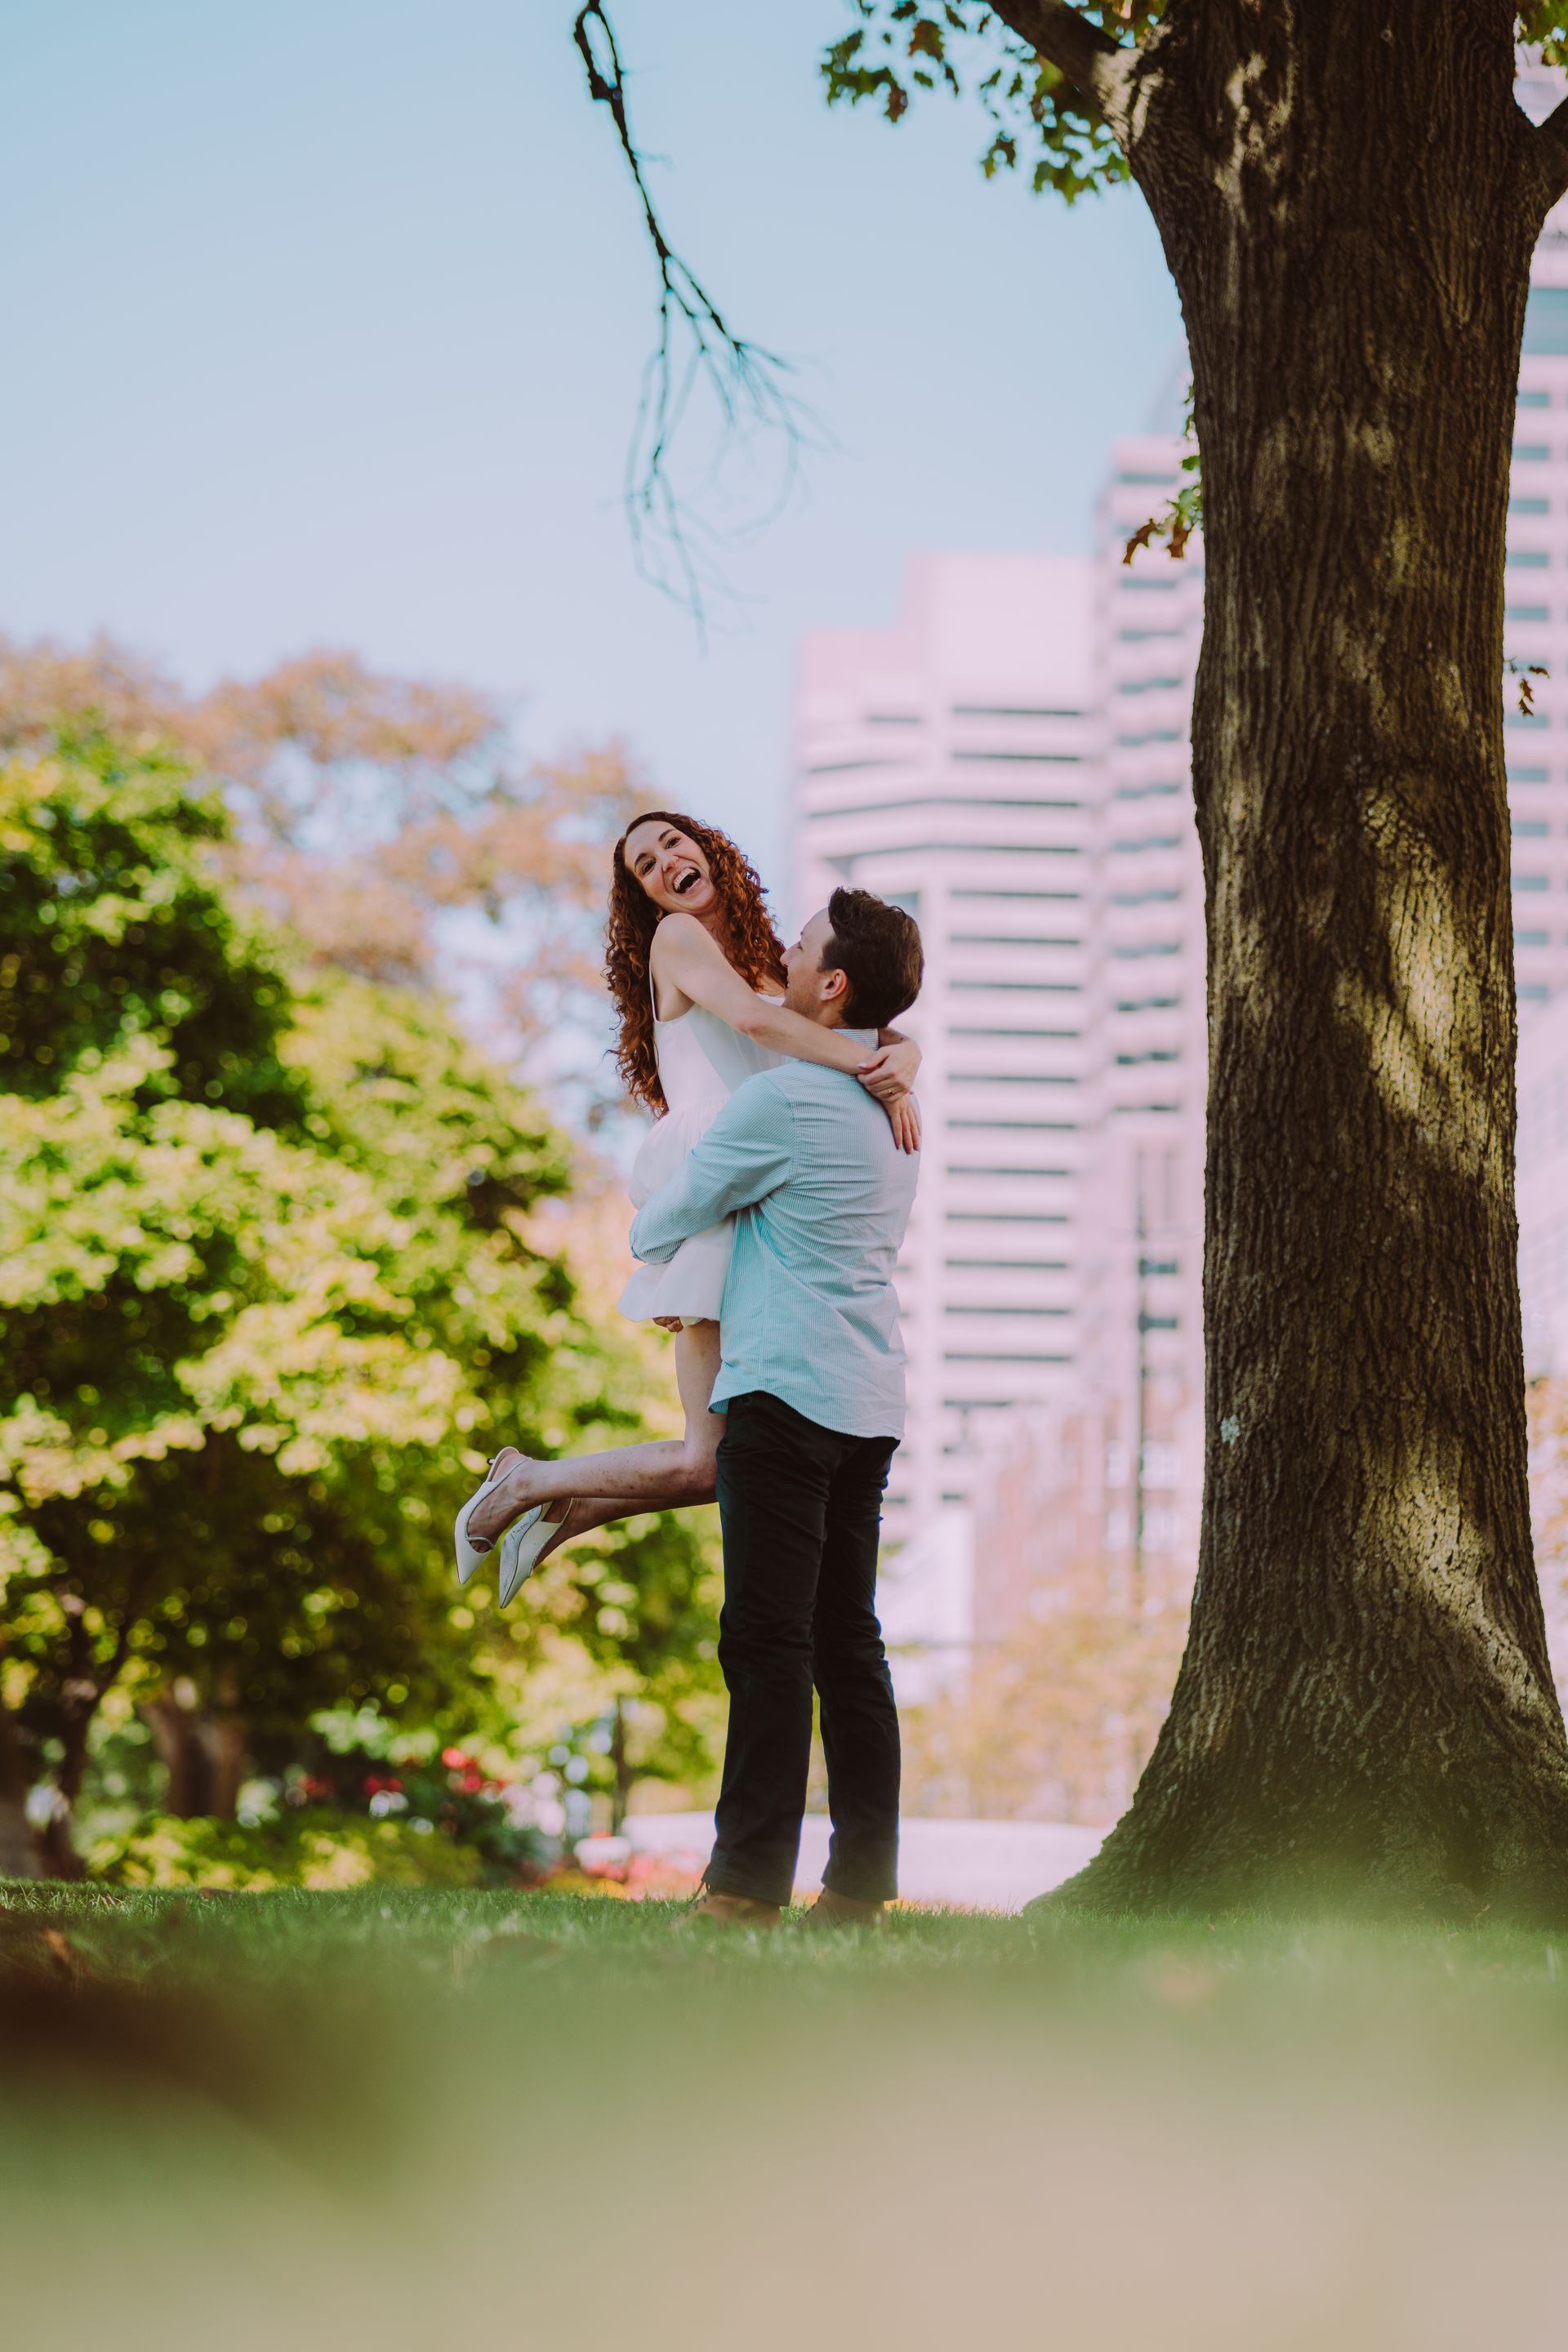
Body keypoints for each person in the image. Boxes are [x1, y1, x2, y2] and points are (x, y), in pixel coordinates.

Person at [453, 812, 920, 1596]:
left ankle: (551, 1504)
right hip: (715, 1181)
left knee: (717, 1467)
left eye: (673, 843)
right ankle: (526, 1483)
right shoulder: (678, 940)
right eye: (645, 863)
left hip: (769, 1188)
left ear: (709, 851)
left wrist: (905, 1053)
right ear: (645, 895)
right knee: (709, 1458)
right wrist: (877, 1069)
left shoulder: (778, 960)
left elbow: (856, 1008)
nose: (665, 861)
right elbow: (750, 1020)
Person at [628, 886, 924, 1928]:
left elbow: (662, 1220)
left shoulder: (782, 1104)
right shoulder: (895, 1117)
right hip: (871, 1400)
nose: (782, 963)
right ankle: (858, 1890)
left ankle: (747, 1890)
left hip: (782, 1396)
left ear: (831, 987)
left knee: (766, 1642)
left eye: (800, 951)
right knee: (850, 1641)